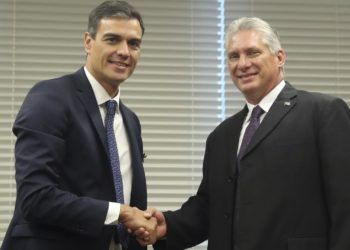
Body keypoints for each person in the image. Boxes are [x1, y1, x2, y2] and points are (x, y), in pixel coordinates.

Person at [140, 17, 350, 250]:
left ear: (279, 57)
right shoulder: (221, 136)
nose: (242, 64)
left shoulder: (323, 113)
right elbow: (211, 208)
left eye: (252, 53)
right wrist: (167, 226)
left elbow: (345, 207)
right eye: (234, 56)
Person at [0, 1, 157, 250]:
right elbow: (35, 197)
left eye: (133, 43)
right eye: (112, 39)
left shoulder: (130, 120)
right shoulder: (50, 97)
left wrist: (142, 224)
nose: (124, 51)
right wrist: (121, 213)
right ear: (88, 42)